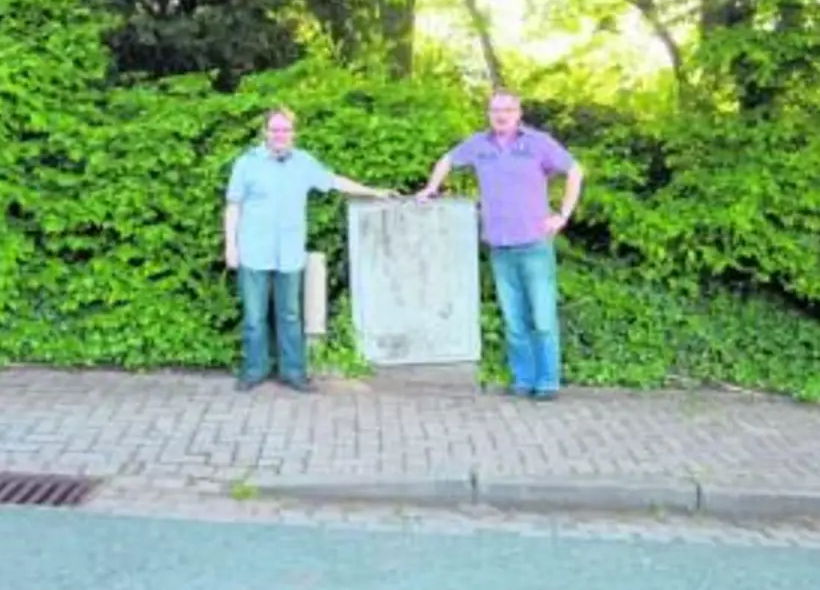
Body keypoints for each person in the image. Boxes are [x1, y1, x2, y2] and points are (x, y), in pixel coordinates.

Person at [415, 90, 585, 400]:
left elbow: (574, 171)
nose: (501, 115)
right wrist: (431, 187)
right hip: (500, 246)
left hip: (534, 243)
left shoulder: (537, 143)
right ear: (489, 114)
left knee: (542, 318)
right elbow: (448, 160)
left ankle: (547, 382)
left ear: (519, 113)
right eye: (495, 110)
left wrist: (562, 215)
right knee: (513, 319)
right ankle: (523, 380)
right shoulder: (479, 145)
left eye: (507, 109)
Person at [225, 107, 395, 392]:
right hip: (253, 251)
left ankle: (293, 372)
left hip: (289, 253)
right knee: (254, 317)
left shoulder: (304, 163)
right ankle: (254, 370)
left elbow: (335, 181)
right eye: (275, 129)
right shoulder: (246, 164)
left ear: (294, 133)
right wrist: (231, 247)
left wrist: (373, 191)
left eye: (285, 130)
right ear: (265, 132)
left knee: (290, 315)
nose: (280, 135)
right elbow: (233, 206)